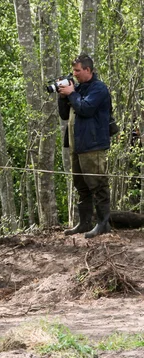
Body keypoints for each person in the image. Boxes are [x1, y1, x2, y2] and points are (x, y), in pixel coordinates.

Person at [58, 54, 112, 238]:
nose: (75, 74)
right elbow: (65, 115)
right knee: (81, 186)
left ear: (88, 70)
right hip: (76, 145)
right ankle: (84, 222)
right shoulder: (78, 88)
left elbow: (86, 109)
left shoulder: (99, 88)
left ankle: (103, 224)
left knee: (98, 185)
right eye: (74, 71)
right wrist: (62, 95)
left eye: (78, 71)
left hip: (93, 145)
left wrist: (72, 93)